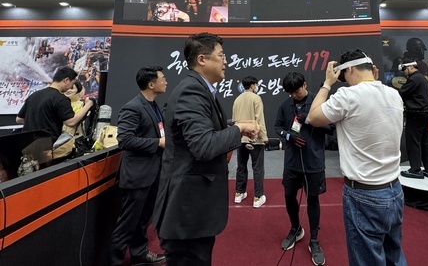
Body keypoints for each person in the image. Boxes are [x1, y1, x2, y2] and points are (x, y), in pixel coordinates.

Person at [152, 32, 258, 266]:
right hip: (186, 211)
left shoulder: (199, 88)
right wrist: (239, 128)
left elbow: (202, 132)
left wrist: (233, 127)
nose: (226, 61)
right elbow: (204, 145)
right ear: (202, 59)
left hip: (192, 211)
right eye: (221, 55)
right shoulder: (192, 91)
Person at [307, 49, 407, 266]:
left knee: (366, 260)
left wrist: (327, 83)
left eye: (345, 76)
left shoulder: (348, 96)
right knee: (394, 256)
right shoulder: (394, 94)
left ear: (350, 69)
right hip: (394, 190)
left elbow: (313, 117)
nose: (346, 81)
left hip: (364, 194)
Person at [274, 72, 334, 266]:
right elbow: (277, 127)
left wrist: (309, 119)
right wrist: (289, 136)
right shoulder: (285, 105)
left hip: (313, 162)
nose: (294, 95)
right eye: (290, 92)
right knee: (289, 196)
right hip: (292, 162)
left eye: (297, 91)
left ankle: (314, 239)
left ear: (305, 85)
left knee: (312, 199)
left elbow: (331, 128)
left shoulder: (319, 102)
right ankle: (296, 229)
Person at [109, 66, 167, 266]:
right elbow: (124, 140)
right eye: (162, 78)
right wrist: (158, 143)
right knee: (126, 224)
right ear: (151, 84)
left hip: (152, 173)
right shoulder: (133, 107)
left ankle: (139, 254)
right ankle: (115, 261)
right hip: (137, 176)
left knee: (143, 220)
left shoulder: (154, 106)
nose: (165, 81)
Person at [16, 66, 95, 142]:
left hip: (26, 142)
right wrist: (88, 105)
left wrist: (36, 121)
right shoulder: (60, 98)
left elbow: (19, 119)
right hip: (46, 143)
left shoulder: (34, 95)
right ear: (66, 80)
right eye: (72, 84)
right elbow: (71, 122)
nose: (70, 88)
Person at [397, 58, 428, 180]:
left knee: (413, 142)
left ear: (410, 67)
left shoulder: (414, 79)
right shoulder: (423, 79)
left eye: (404, 69)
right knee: (426, 142)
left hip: (416, 114)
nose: (404, 72)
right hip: (425, 114)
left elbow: (400, 93)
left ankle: (415, 170)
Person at [232, 75, 269, 208]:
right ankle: (258, 196)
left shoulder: (237, 99)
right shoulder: (256, 98)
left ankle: (239, 193)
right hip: (255, 138)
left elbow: (234, 120)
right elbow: (259, 119)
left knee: (241, 166)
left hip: (240, 138)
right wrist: (263, 136)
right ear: (253, 85)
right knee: (257, 168)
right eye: (256, 85)